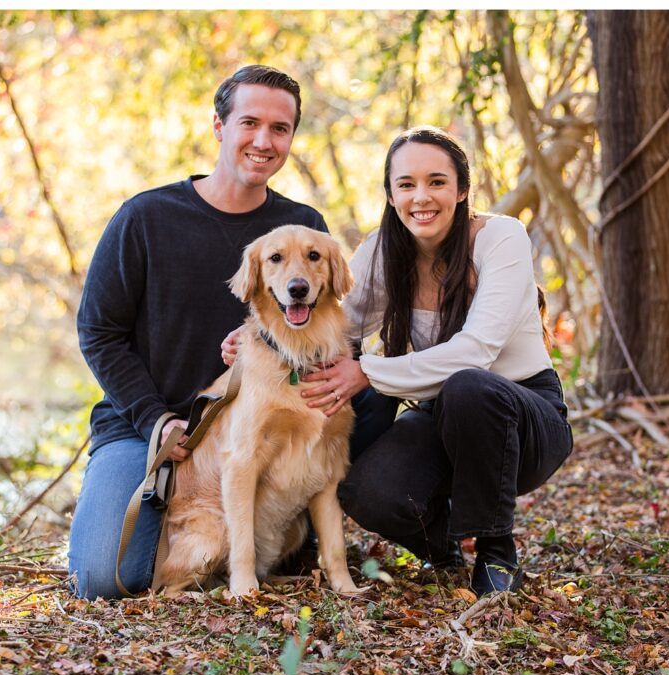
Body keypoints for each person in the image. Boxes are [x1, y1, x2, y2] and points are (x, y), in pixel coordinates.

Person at [225, 125, 573, 596]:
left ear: (463, 189)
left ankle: (495, 551)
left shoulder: (501, 239)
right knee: (364, 489)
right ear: (391, 195)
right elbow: (334, 324)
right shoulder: (383, 252)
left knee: (469, 386)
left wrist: (366, 371)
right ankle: (443, 550)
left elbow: (477, 351)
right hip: (441, 412)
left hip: (524, 416)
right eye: (406, 184)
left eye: (436, 182)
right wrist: (262, 339)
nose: (421, 197)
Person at [70, 65, 329, 599]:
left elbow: (323, 329)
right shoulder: (145, 217)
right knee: (102, 580)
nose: (264, 141)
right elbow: (98, 331)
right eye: (249, 122)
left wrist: (268, 349)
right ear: (218, 125)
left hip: (255, 431)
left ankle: (280, 540)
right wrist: (154, 417)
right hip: (144, 427)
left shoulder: (302, 227)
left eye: (280, 129)